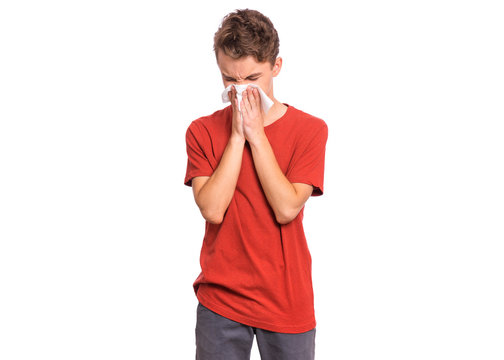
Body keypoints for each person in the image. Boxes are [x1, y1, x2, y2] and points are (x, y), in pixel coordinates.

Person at [184, 8, 328, 360]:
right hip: (221, 301)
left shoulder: (310, 130)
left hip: (286, 300)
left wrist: (256, 136)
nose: (240, 90)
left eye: (252, 78)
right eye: (229, 80)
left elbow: (286, 207)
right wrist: (236, 137)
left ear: (276, 67)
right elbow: (213, 209)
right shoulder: (202, 131)